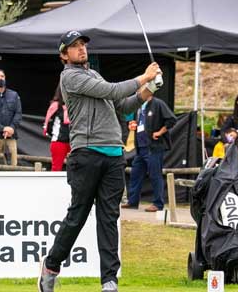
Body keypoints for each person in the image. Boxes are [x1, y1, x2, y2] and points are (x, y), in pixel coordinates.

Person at [38, 30, 162, 292]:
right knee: (77, 217)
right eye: (74, 46)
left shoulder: (94, 74)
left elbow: (123, 104)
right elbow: (113, 89)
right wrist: (144, 77)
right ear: (64, 55)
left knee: (109, 219)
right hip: (86, 154)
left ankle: (109, 280)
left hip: (114, 155)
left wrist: (149, 89)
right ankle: (50, 266)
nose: (81, 49)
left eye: (83, 45)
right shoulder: (69, 77)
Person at [121, 94, 177, 212]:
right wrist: (133, 125)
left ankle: (158, 203)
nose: (139, 93)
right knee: (135, 174)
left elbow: (172, 120)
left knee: (155, 174)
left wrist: (160, 132)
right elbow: (139, 123)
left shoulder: (158, 104)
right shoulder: (139, 106)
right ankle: (132, 201)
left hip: (154, 147)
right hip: (140, 148)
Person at [43, 84, 70, 171]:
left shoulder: (77, 105)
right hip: (59, 142)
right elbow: (47, 124)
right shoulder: (55, 105)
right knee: (56, 168)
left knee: (76, 169)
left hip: (75, 142)